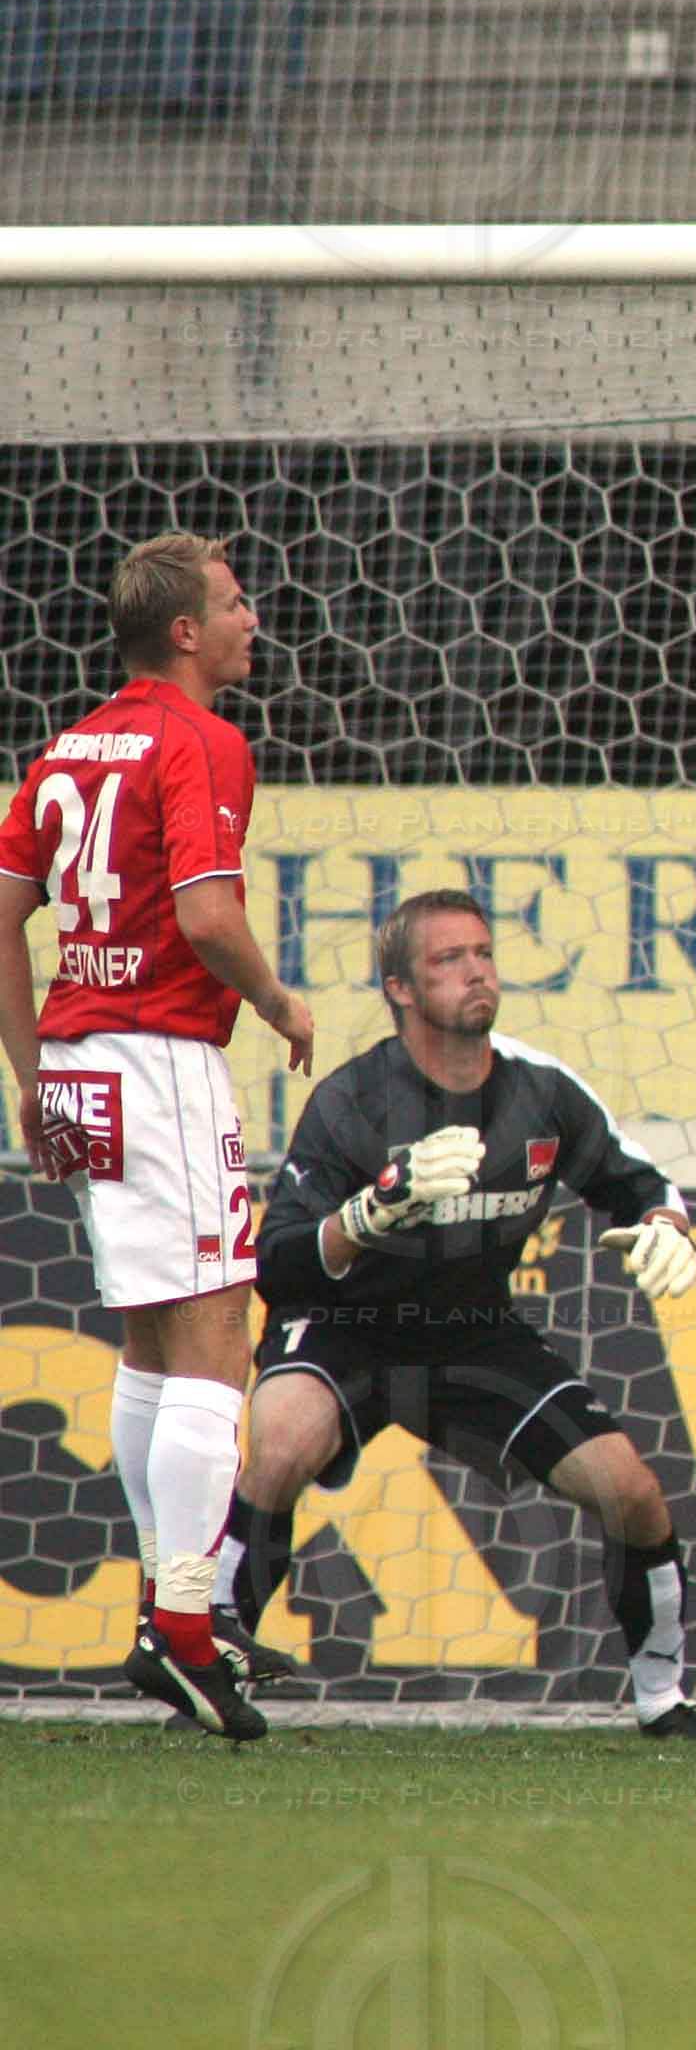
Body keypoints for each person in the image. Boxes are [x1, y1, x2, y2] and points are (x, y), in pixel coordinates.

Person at [214, 890, 696, 1738]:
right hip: (348, 1328)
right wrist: (358, 1222)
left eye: (483, 952)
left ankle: (664, 1700)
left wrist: (669, 1227)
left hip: (472, 1329)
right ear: (401, 991)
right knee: (279, 1442)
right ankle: (213, 1667)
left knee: (632, 1491)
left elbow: (642, 1185)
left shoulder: (541, 1092)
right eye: (448, 960)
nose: (476, 970)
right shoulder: (353, 1100)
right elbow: (278, 1263)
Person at [0, 534, 314, 1740]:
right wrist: (280, 1002)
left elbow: (3, 911)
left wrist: (30, 1074)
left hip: (79, 1058)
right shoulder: (201, 740)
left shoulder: (72, 743)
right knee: (216, 1337)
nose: (252, 620)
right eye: (236, 603)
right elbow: (205, 910)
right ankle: (187, 1626)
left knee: (147, 1339)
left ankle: (160, 1608)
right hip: (160, 1054)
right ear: (183, 630)